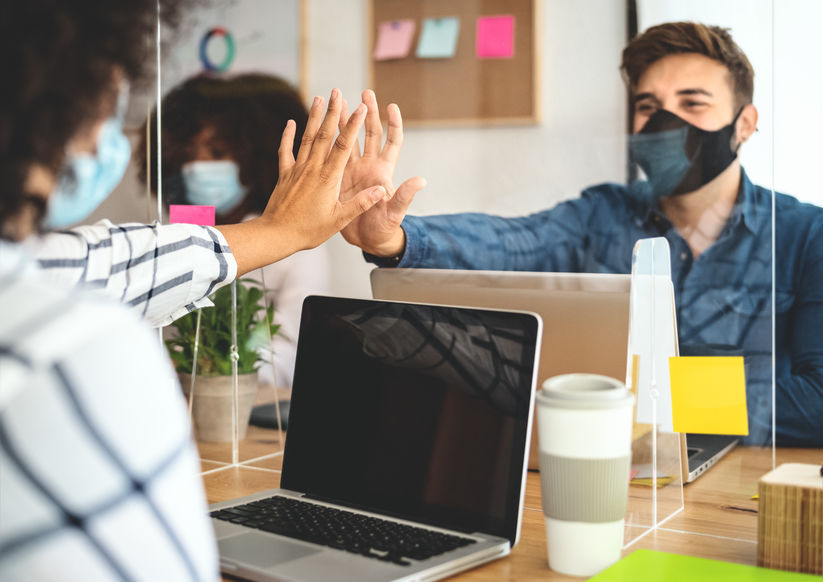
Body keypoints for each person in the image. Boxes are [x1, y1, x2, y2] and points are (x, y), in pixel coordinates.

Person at [0, 0, 418, 578]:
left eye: (216, 152)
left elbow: (97, 260)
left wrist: (277, 234)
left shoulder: (66, 292)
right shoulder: (80, 351)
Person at [342, 22, 823, 447]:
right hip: (608, 467)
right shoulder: (602, 213)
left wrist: (650, 394)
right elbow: (511, 242)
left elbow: (816, 400)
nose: (663, 123)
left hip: (740, 490)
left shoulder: (807, 235)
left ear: (745, 124)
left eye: (692, 102)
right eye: (648, 105)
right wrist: (395, 238)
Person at [137, 73, 330, 387]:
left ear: (256, 156)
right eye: (187, 155)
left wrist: (215, 371)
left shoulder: (296, 244)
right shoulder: (172, 231)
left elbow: (294, 349)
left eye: (216, 153)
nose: (196, 167)